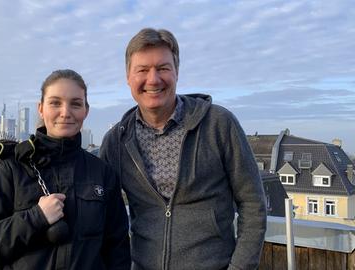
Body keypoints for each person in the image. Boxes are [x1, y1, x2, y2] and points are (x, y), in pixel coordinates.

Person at [100, 28, 267, 270]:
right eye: (143, 70)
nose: (153, 79)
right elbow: (99, 212)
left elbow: (253, 204)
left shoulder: (218, 124)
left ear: (177, 72)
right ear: (128, 77)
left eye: (163, 68)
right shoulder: (116, 142)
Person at [0, 69, 131, 269]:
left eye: (76, 104)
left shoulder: (102, 173)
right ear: (41, 108)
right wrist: (36, 217)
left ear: (86, 111)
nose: (65, 112)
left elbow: (117, 249)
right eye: (55, 102)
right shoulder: (12, 168)